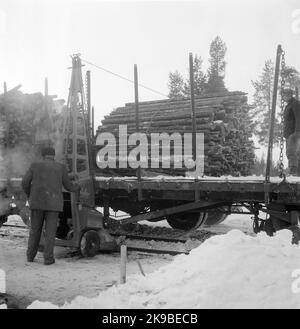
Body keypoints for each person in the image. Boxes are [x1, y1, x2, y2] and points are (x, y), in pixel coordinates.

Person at [22, 146, 80, 265]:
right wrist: (77, 187)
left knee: (35, 231)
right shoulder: (60, 167)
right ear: (53, 156)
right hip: (53, 205)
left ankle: (30, 256)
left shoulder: (35, 165)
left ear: (43, 155)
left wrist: (30, 194)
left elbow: (25, 182)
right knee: (50, 233)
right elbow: (68, 186)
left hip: (37, 203)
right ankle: (48, 259)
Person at [283, 90, 300, 175]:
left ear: (290, 95)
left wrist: (297, 131)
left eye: (286, 94)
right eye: (284, 95)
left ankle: (293, 172)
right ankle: (294, 171)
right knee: (291, 152)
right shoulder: (288, 105)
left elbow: (298, 117)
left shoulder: (295, 103)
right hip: (289, 133)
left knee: (291, 152)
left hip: (293, 133)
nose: (285, 96)